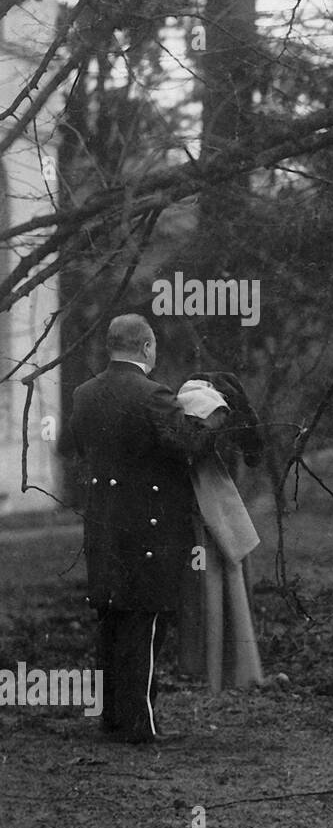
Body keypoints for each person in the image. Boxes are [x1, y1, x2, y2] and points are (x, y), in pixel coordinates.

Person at [62, 314, 213, 743]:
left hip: (103, 528)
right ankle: (139, 725)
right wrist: (212, 415)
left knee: (111, 625)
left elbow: (75, 445)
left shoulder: (82, 394)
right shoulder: (154, 395)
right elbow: (189, 443)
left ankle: (112, 719)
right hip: (150, 533)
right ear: (146, 347)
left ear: (112, 346)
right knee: (144, 628)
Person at [174, 372, 264, 692]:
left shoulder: (213, 402)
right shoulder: (189, 408)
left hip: (215, 507)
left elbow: (252, 450)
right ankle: (219, 669)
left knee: (221, 582)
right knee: (216, 583)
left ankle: (222, 669)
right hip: (205, 508)